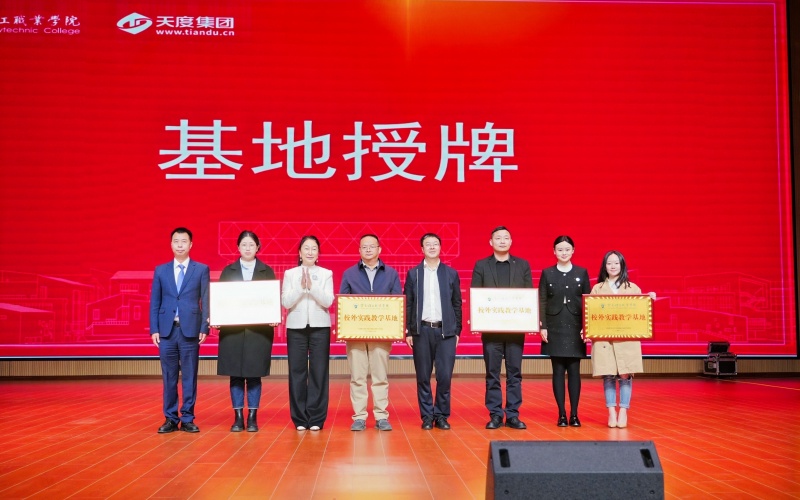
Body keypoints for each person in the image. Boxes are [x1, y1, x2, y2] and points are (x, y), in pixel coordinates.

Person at [471, 226, 533, 430]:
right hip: (491, 330)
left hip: (515, 330)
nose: (502, 241)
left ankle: (513, 415)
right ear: (491, 242)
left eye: (506, 237)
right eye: (498, 238)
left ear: (511, 241)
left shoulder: (522, 265)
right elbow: (476, 295)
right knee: (492, 373)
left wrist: (530, 319)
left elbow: (528, 296)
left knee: (515, 373)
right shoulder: (481, 265)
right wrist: (476, 318)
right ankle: (496, 414)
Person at [150, 227, 210, 434]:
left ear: (191, 244)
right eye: (176, 241)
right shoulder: (161, 270)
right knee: (169, 376)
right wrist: (154, 329)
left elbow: (206, 300)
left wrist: (204, 326)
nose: (180, 245)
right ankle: (170, 418)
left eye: (184, 241)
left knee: (189, 377)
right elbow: (155, 301)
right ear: (171, 244)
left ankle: (187, 418)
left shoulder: (201, 269)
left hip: (190, 330)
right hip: (166, 331)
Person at [339, 234, 402, 431]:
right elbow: (343, 303)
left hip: (381, 334)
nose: (368, 249)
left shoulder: (391, 274)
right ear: (359, 250)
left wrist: (395, 328)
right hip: (356, 335)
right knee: (357, 377)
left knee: (380, 377)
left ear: (379, 249)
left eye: (372, 246)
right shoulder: (349, 273)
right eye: (364, 246)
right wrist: (344, 328)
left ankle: (381, 416)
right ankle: (359, 416)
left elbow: (397, 302)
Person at [217, 230, 276, 432]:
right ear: (238, 248)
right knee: (235, 374)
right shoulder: (228, 271)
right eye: (244, 245)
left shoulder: (267, 271)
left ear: (258, 247)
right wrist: (217, 317)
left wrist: (274, 316)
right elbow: (220, 300)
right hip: (233, 332)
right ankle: (238, 417)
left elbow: (272, 300)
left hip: (258, 333)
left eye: (251, 244)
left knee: (254, 374)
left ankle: (252, 417)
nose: (248, 248)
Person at [590, 250, 656, 428]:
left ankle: (623, 411)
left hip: (627, 340)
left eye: (616, 263)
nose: (612, 266)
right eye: (609, 263)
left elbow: (641, 312)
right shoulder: (597, 289)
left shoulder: (633, 288)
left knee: (625, 375)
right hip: (605, 340)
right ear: (604, 266)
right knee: (608, 375)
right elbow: (591, 314)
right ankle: (611, 412)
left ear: (622, 265)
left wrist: (649, 299)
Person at [404, 233, 463, 430]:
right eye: (427, 244)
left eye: (435, 244)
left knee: (444, 377)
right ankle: (427, 416)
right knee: (423, 376)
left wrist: (457, 331)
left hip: (445, 332)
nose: (431, 247)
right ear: (422, 249)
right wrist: (409, 331)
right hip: (421, 331)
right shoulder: (414, 274)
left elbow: (457, 303)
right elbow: (408, 304)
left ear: (440, 247)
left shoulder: (450, 273)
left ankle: (442, 415)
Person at [281, 235, 334, 431]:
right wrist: (300, 288)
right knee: (297, 372)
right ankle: (300, 418)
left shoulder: (326, 273)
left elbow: (328, 301)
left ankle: (317, 418)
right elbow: (286, 302)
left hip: (320, 327)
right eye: (306, 248)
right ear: (299, 252)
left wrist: (312, 287)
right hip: (296, 328)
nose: (310, 252)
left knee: (319, 372)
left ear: (318, 254)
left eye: (314, 249)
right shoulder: (290, 274)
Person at [539, 235, 591, 427]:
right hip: (554, 326)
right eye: (560, 249)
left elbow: (588, 301)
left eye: (567, 249)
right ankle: (561, 414)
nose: (564, 253)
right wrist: (543, 326)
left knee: (575, 370)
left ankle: (574, 414)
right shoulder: (547, 273)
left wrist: (587, 327)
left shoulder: (582, 272)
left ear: (573, 251)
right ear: (554, 252)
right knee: (558, 370)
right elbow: (542, 300)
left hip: (575, 326)